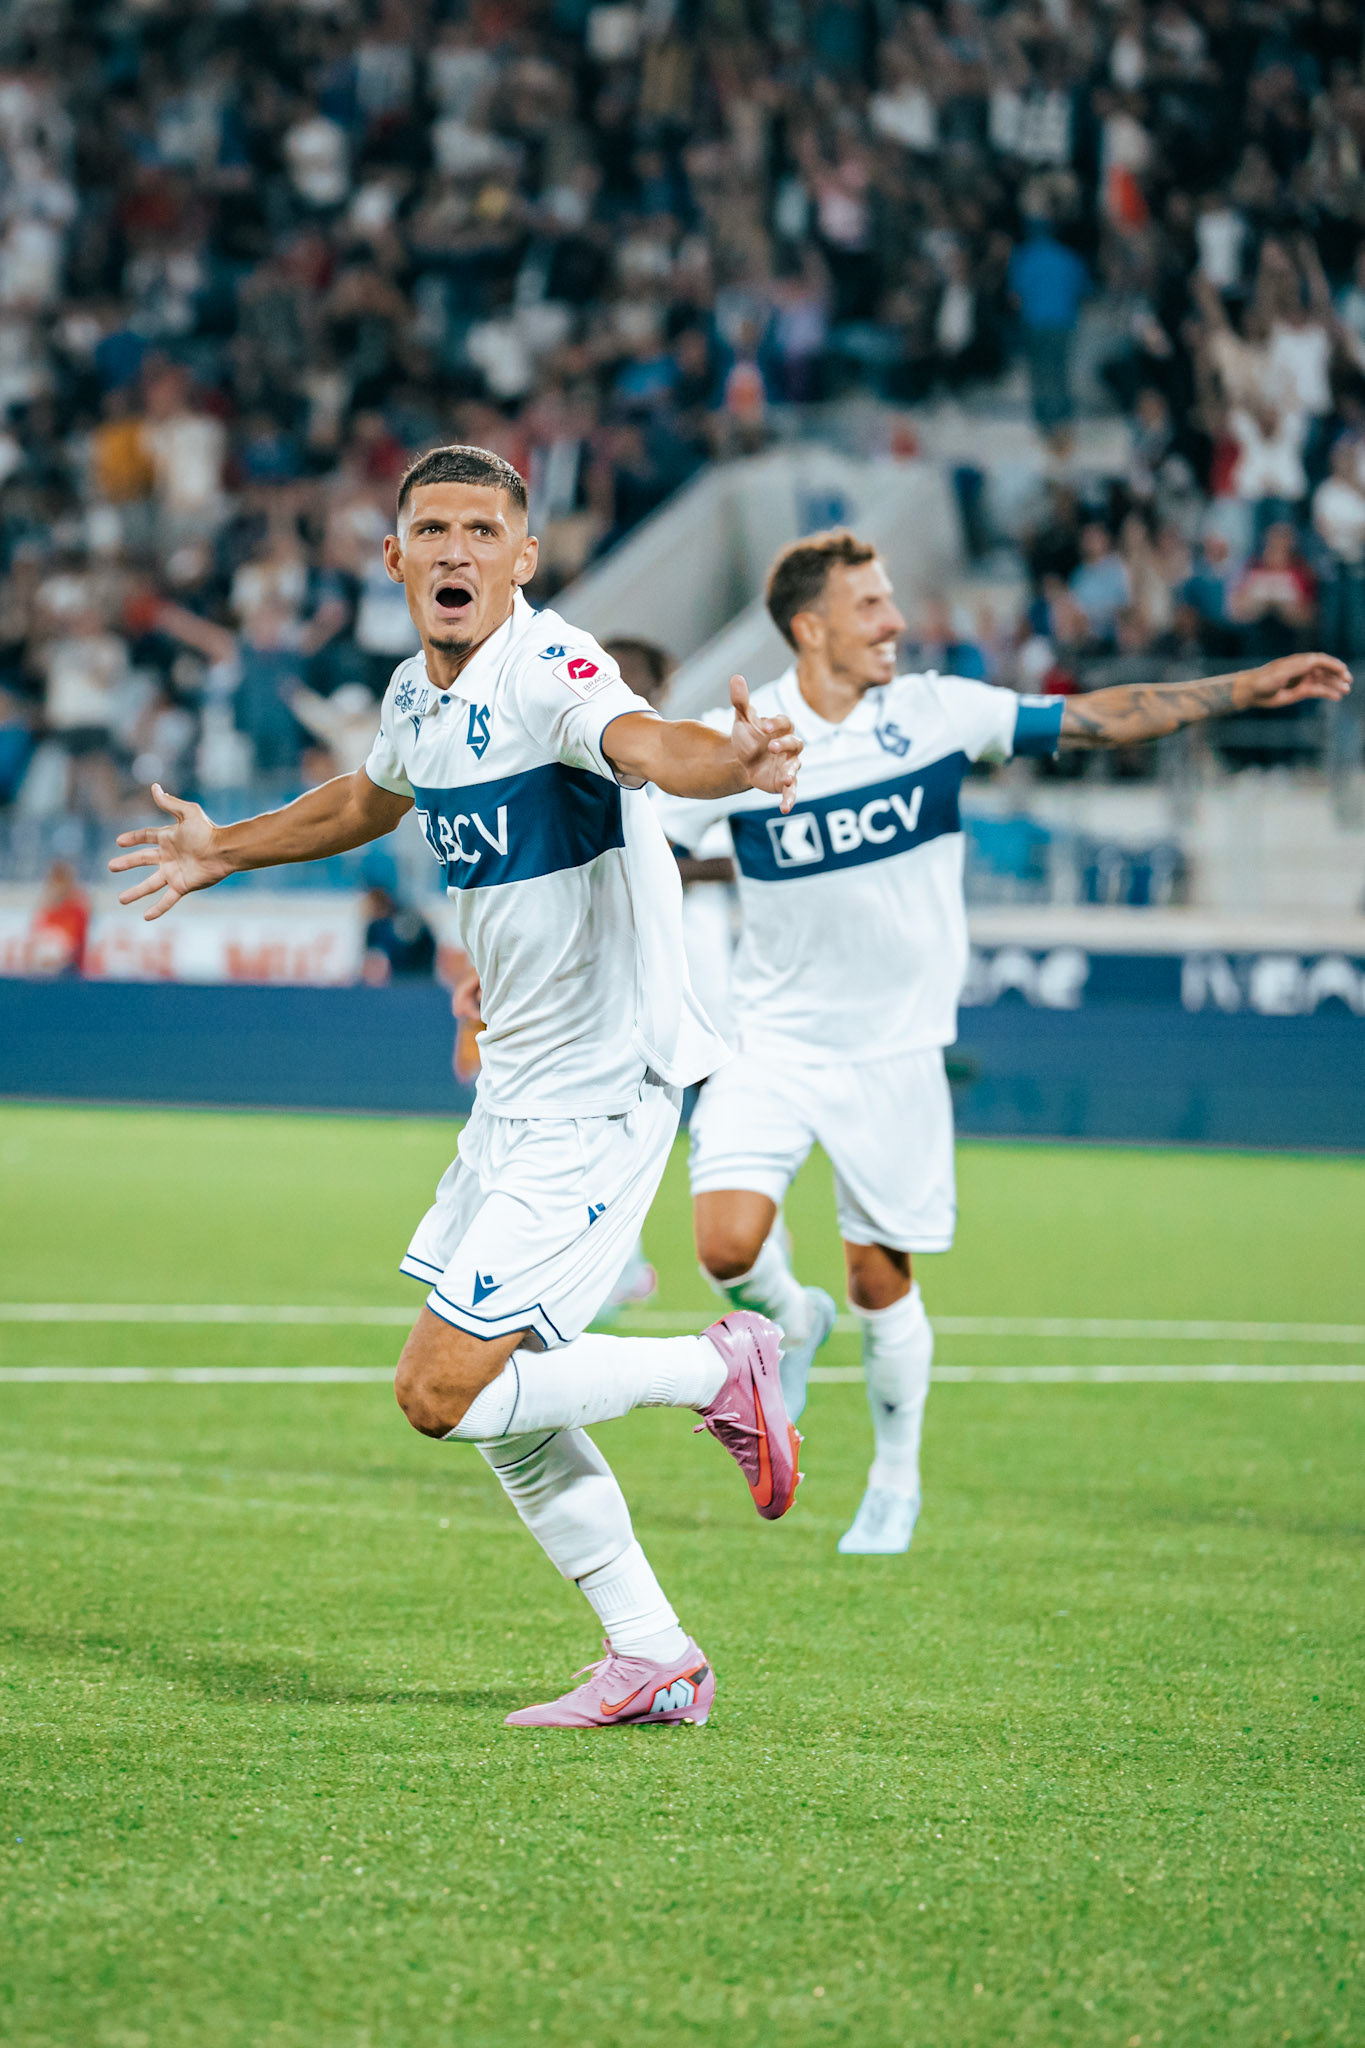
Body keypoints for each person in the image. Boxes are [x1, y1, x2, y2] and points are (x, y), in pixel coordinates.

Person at [110, 443, 808, 1731]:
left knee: (440, 1388)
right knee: (503, 1412)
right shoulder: (417, 699)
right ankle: (652, 1653)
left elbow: (649, 746)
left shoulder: (553, 668)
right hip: (515, 1097)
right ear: (393, 557)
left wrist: (736, 755)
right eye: (432, 529)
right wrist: (226, 846)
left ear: (523, 558)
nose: (456, 552)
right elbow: (367, 803)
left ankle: (714, 1369)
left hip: (600, 1092)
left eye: (484, 530)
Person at [654, 529, 1351, 1557]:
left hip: (893, 1051)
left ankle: (895, 1477)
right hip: (772, 1038)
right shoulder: (745, 734)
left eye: (892, 601)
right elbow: (641, 840)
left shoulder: (936, 712)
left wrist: (1244, 689)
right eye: (872, 605)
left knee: (879, 1279)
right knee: (722, 1247)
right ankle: (790, 1322)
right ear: (812, 626)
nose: (896, 620)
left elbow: (1101, 718)